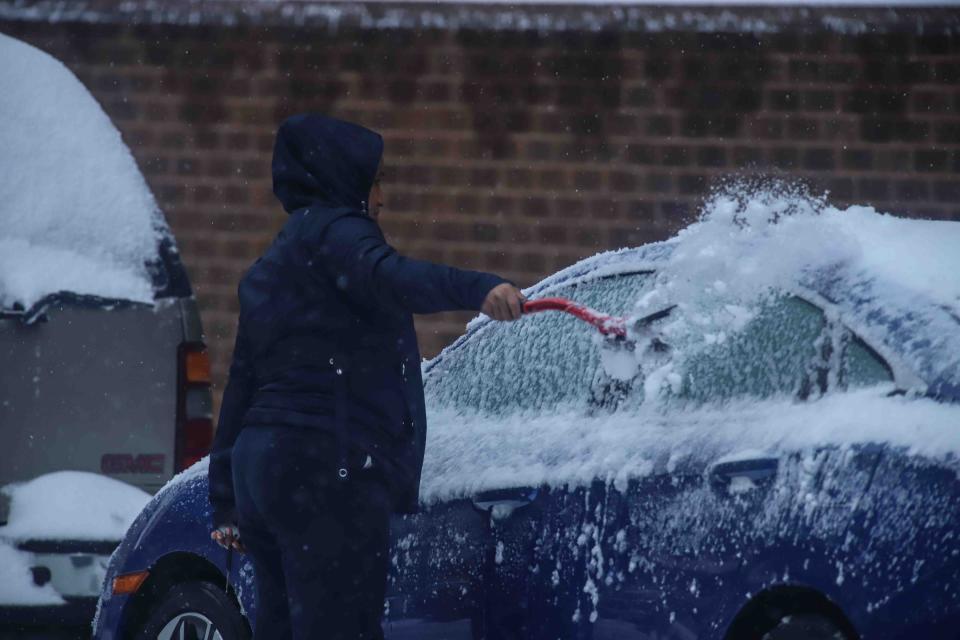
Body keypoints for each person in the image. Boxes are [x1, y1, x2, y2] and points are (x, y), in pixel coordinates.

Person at [207, 113, 526, 640]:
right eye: (375, 181)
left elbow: (242, 380)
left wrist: (226, 498)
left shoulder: (277, 259)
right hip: (323, 467)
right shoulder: (339, 234)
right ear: (342, 179)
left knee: (281, 627)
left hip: (262, 469)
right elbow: (392, 277)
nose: (381, 198)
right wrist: (478, 289)